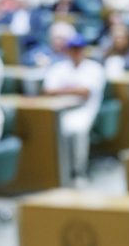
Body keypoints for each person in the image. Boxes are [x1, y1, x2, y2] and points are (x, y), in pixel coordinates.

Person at [42, 35, 105, 179]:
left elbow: (85, 93)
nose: (76, 52)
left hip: (84, 109)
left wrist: (61, 91)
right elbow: (47, 91)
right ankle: (56, 170)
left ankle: (78, 171)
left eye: (79, 49)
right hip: (58, 109)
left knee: (76, 130)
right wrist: (73, 89)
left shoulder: (94, 68)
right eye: (73, 49)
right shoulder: (59, 67)